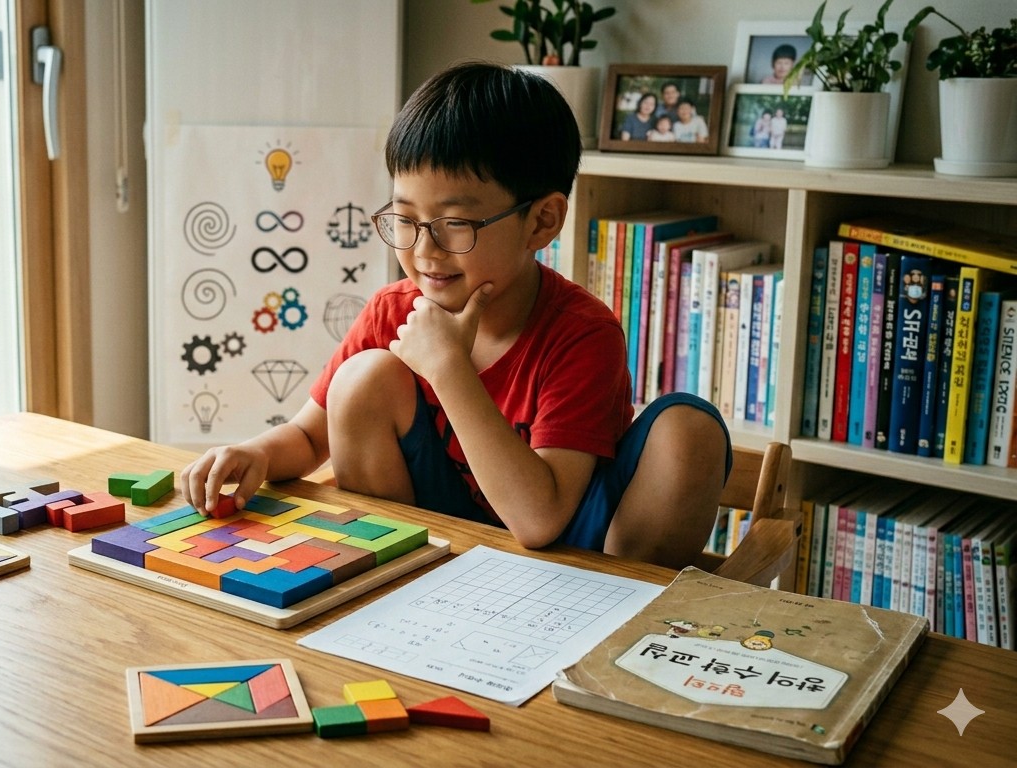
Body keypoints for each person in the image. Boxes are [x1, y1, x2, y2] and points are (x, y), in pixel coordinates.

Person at [179, 61, 731, 569]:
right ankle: (392, 577)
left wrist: (448, 368)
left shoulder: (582, 334)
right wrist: (251, 452)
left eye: (454, 224)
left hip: (571, 553)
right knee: (363, 378)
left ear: (541, 222)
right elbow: (306, 437)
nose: (423, 250)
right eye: (404, 219)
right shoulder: (394, 311)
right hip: (438, 549)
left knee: (690, 431)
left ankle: (622, 609)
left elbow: (541, 520)